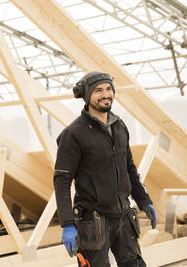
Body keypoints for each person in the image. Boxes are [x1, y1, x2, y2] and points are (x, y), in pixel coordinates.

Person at [53, 71, 157, 267]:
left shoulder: (119, 126)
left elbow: (129, 168)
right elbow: (62, 181)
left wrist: (144, 201)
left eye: (109, 89)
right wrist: (67, 223)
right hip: (93, 220)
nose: (106, 94)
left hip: (124, 216)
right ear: (87, 95)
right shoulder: (73, 134)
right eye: (98, 90)